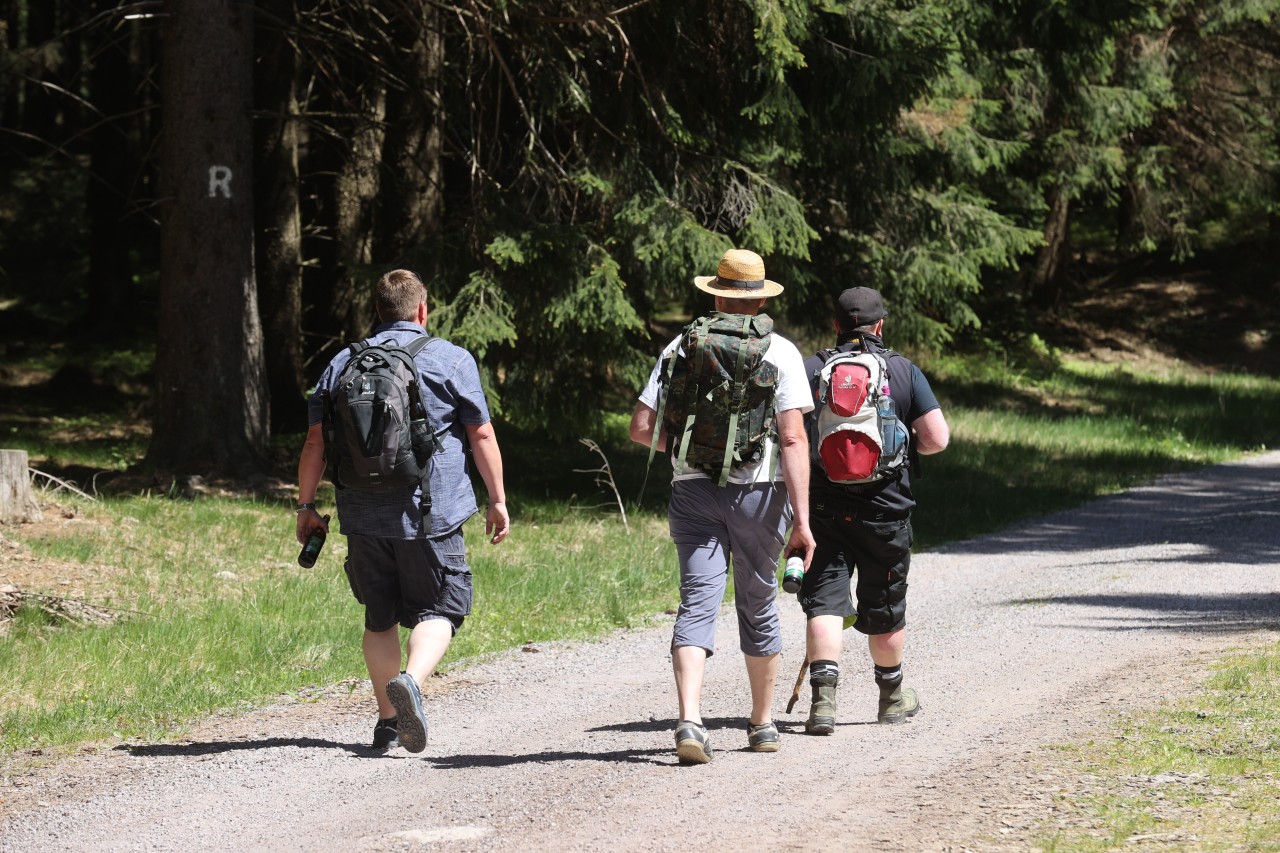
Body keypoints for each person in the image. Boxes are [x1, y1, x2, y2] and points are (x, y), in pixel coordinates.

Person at [295, 269, 509, 753]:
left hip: (362, 517)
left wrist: (307, 506)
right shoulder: (451, 360)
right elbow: (481, 434)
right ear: (422, 310)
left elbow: (314, 442)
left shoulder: (341, 364)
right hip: (430, 516)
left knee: (380, 617)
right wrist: (496, 499)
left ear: (377, 312)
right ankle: (411, 680)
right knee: (443, 607)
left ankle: (388, 723)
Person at [629, 248, 815, 765]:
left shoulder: (680, 346)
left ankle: (690, 720)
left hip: (692, 491)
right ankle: (762, 724)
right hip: (761, 493)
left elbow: (642, 428)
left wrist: (696, 451)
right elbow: (794, 439)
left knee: (697, 603)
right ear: (758, 298)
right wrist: (802, 521)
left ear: (715, 293)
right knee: (757, 603)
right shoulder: (780, 351)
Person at [797, 286, 949, 732]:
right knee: (884, 606)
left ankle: (823, 704)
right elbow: (937, 439)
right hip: (886, 510)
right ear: (880, 325)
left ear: (836, 325)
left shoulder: (812, 370)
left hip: (824, 508)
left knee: (824, 603)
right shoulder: (902, 371)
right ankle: (891, 697)